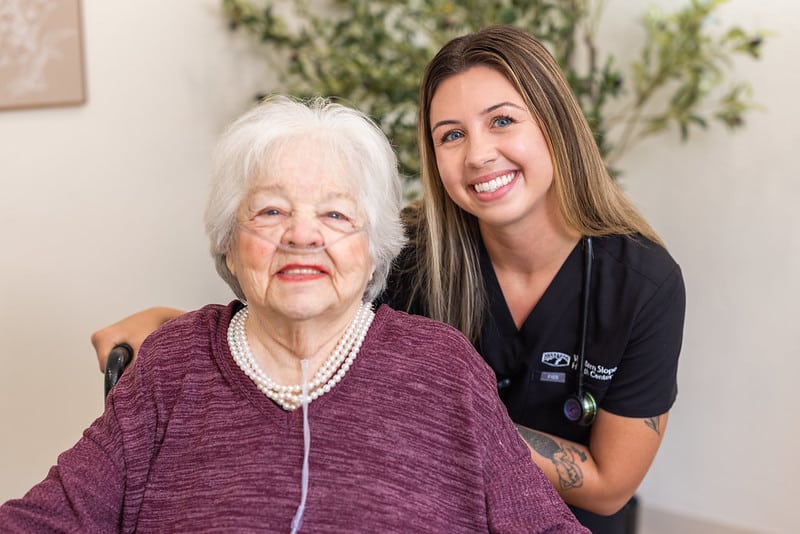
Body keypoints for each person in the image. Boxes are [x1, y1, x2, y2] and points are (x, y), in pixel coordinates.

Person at [90, 25, 686, 534]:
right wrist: (168, 328)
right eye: (451, 134)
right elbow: (287, 312)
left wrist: (451, 411)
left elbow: (607, 485)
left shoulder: (643, 283)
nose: (478, 154)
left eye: (501, 121)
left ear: (555, 126)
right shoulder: (405, 253)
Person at [0, 96, 588, 533]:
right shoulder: (171, 368)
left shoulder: (443, 369)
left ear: (375, 247)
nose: (302, 235)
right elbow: (47, 520)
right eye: (271, 211)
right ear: (229, 241)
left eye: (335, 216)